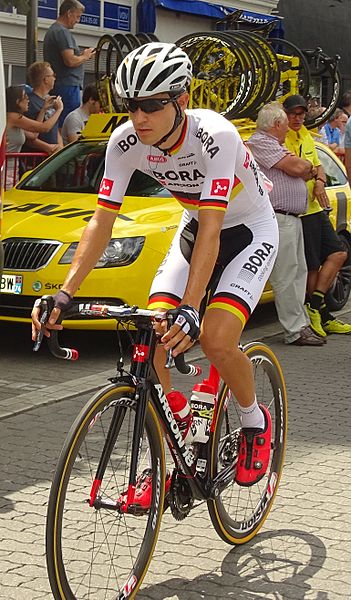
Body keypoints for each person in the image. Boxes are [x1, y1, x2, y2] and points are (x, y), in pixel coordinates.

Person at [31, 42, 279, 507]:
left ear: (181, 101)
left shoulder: (216, 136)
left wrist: (191, 307)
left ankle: (252, 420)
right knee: (152, 331)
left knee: (218, 339)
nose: (139, 117)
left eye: (152, 105)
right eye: (131, 106)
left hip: (247, 231)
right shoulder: (125, 143)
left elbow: (213, 229)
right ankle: (173, 435)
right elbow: (101, 222)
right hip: (194, 229)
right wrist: (65, 293)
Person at [248, 101, 324, 346]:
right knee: (286, 275)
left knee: (297, 272)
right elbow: (299, 167)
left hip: (290, 218)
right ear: (277, 124)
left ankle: (300, 324)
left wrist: (305, 170)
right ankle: (294, 330)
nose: (288, 130)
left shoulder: (273, 144)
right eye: (284, 125)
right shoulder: (262, 142)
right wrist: (306, 169)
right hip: (279, 216)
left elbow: (301, 168)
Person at [284, 94, 351, 337]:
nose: (298, 118)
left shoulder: (307, 137)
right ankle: (320, 315)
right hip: (300, 210)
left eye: (301, 114)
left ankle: (314, 307)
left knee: (339, 253)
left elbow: (316, 167)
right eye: (293, 114)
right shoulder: (282, 138)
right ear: (284, 115)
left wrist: (320, 180)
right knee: (311, 266)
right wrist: (312, 173)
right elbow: (297, 170)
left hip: (315, 207)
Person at [43, 0, 95, 128]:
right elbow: (70, 61)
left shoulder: (53, 30)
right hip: (67, 86)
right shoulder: (62, 32)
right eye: (77, 16)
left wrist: (81, 56)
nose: (78, 21)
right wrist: (85, 56)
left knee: (60, 123)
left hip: (61, 84)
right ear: (69, 13)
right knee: (69, 123)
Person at [5, 85, 63, 188]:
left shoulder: (16, 120)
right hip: (6, 169)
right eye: (25, 97)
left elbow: (33, 135)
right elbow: (45, 128)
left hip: (12, 169)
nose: (28, 100)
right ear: (17, 102)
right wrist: (59, 110)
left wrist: (43, 109)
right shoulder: (13, 117)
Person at [22, 61, 63, 155]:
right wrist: (48, 147)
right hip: (37, 158)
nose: (54, 79)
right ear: (46, 79)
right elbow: (27, 135)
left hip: (53, 156)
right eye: (53, 75)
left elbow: (55, 128)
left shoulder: (50, 101)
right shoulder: (29, 102)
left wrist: (60, 147)